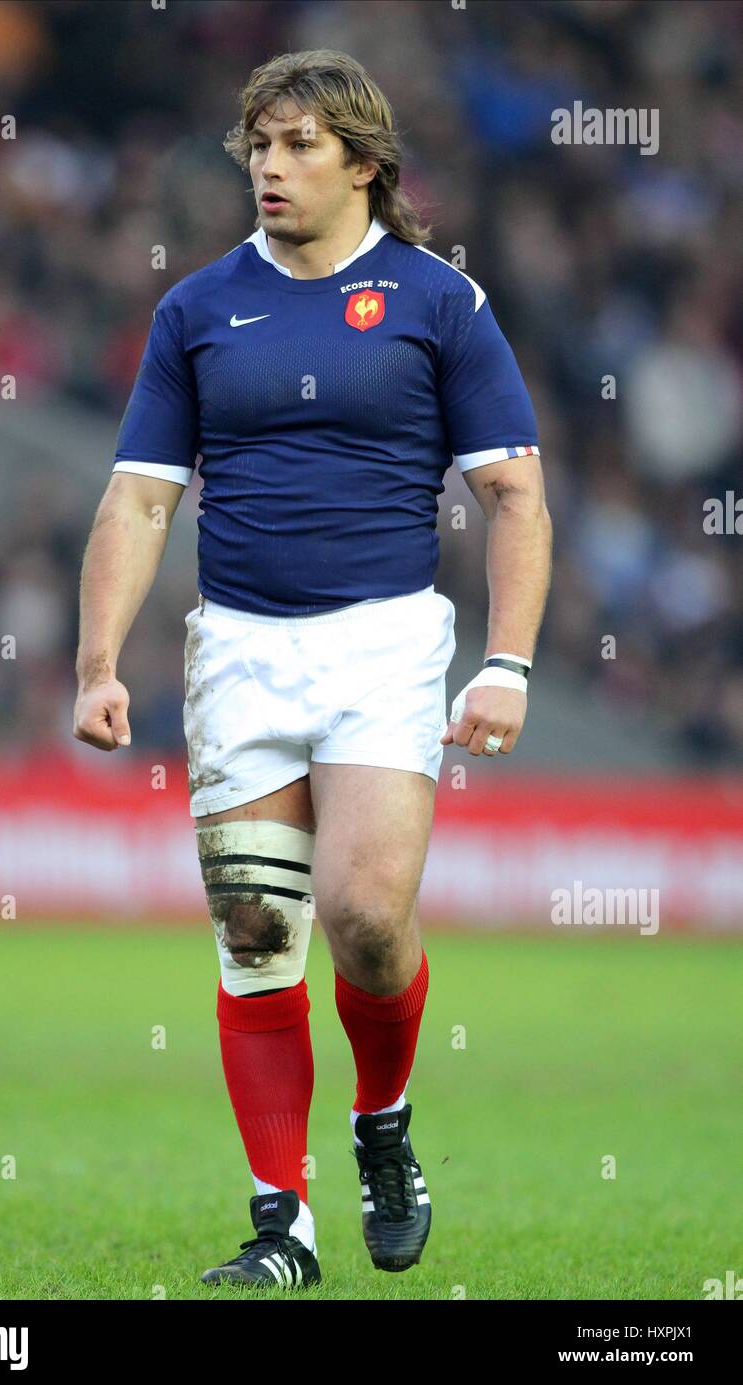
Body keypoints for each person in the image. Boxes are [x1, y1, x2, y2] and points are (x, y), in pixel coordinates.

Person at [73, 48, 552, 1289]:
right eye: (258, 148)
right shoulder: (195, 310)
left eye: (295, 147)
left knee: (361, 918)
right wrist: (95, 662)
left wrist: (503, 662)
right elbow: (136, 502)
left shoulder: (438, 301)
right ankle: (280, 1224)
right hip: (237, 646)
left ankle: (380, 1125)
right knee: (252, 925)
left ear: (365, 166)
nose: (269, 169)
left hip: (382, 641)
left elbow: (512, 493)